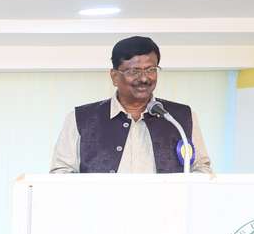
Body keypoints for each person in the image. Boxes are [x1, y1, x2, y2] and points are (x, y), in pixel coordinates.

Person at [50, 36, 212, 174]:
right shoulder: (81, 118)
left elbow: (201, 169)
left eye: (151, 69)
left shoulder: (180, 117)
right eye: (134, 71)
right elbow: (61, 173)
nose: (144, 78)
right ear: (114, 76)